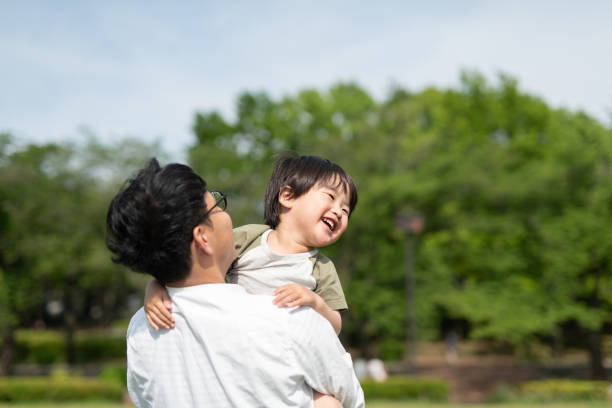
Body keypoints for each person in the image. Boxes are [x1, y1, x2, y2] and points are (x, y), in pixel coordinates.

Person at [106, 158, 364, 407]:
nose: (340, 213)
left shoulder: (142, 329)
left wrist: (157, 286)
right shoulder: (294, 322)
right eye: (217, 207)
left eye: (346, 210)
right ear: (202, 237)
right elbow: (350, 398)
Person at [145, 154, 358, 336]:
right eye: (330, 197)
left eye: (346, 210)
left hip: (286, 346)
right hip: (236, 333)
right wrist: (155, 287)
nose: (339, 212)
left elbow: (335, 327)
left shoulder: (321, 267)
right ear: (288, 196)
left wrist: (316, 303)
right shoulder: (252, 238)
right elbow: (194, 263)